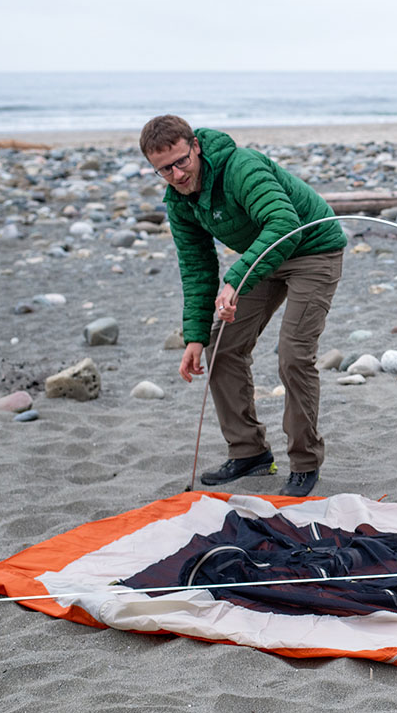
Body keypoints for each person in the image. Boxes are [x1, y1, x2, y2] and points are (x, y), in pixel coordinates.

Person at [140, 115, 347, 497]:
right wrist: (195, 337)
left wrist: (235, 279)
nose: (176, 174)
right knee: (222, 350)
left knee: (293, 356)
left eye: (181, 161)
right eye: (163, 170)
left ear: (196, 146)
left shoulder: (241, 167)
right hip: (262, 258)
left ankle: (304, 463)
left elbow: (283, 222)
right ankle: (249, 452)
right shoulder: (179, 202)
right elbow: (197, 269)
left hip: (313, 248)